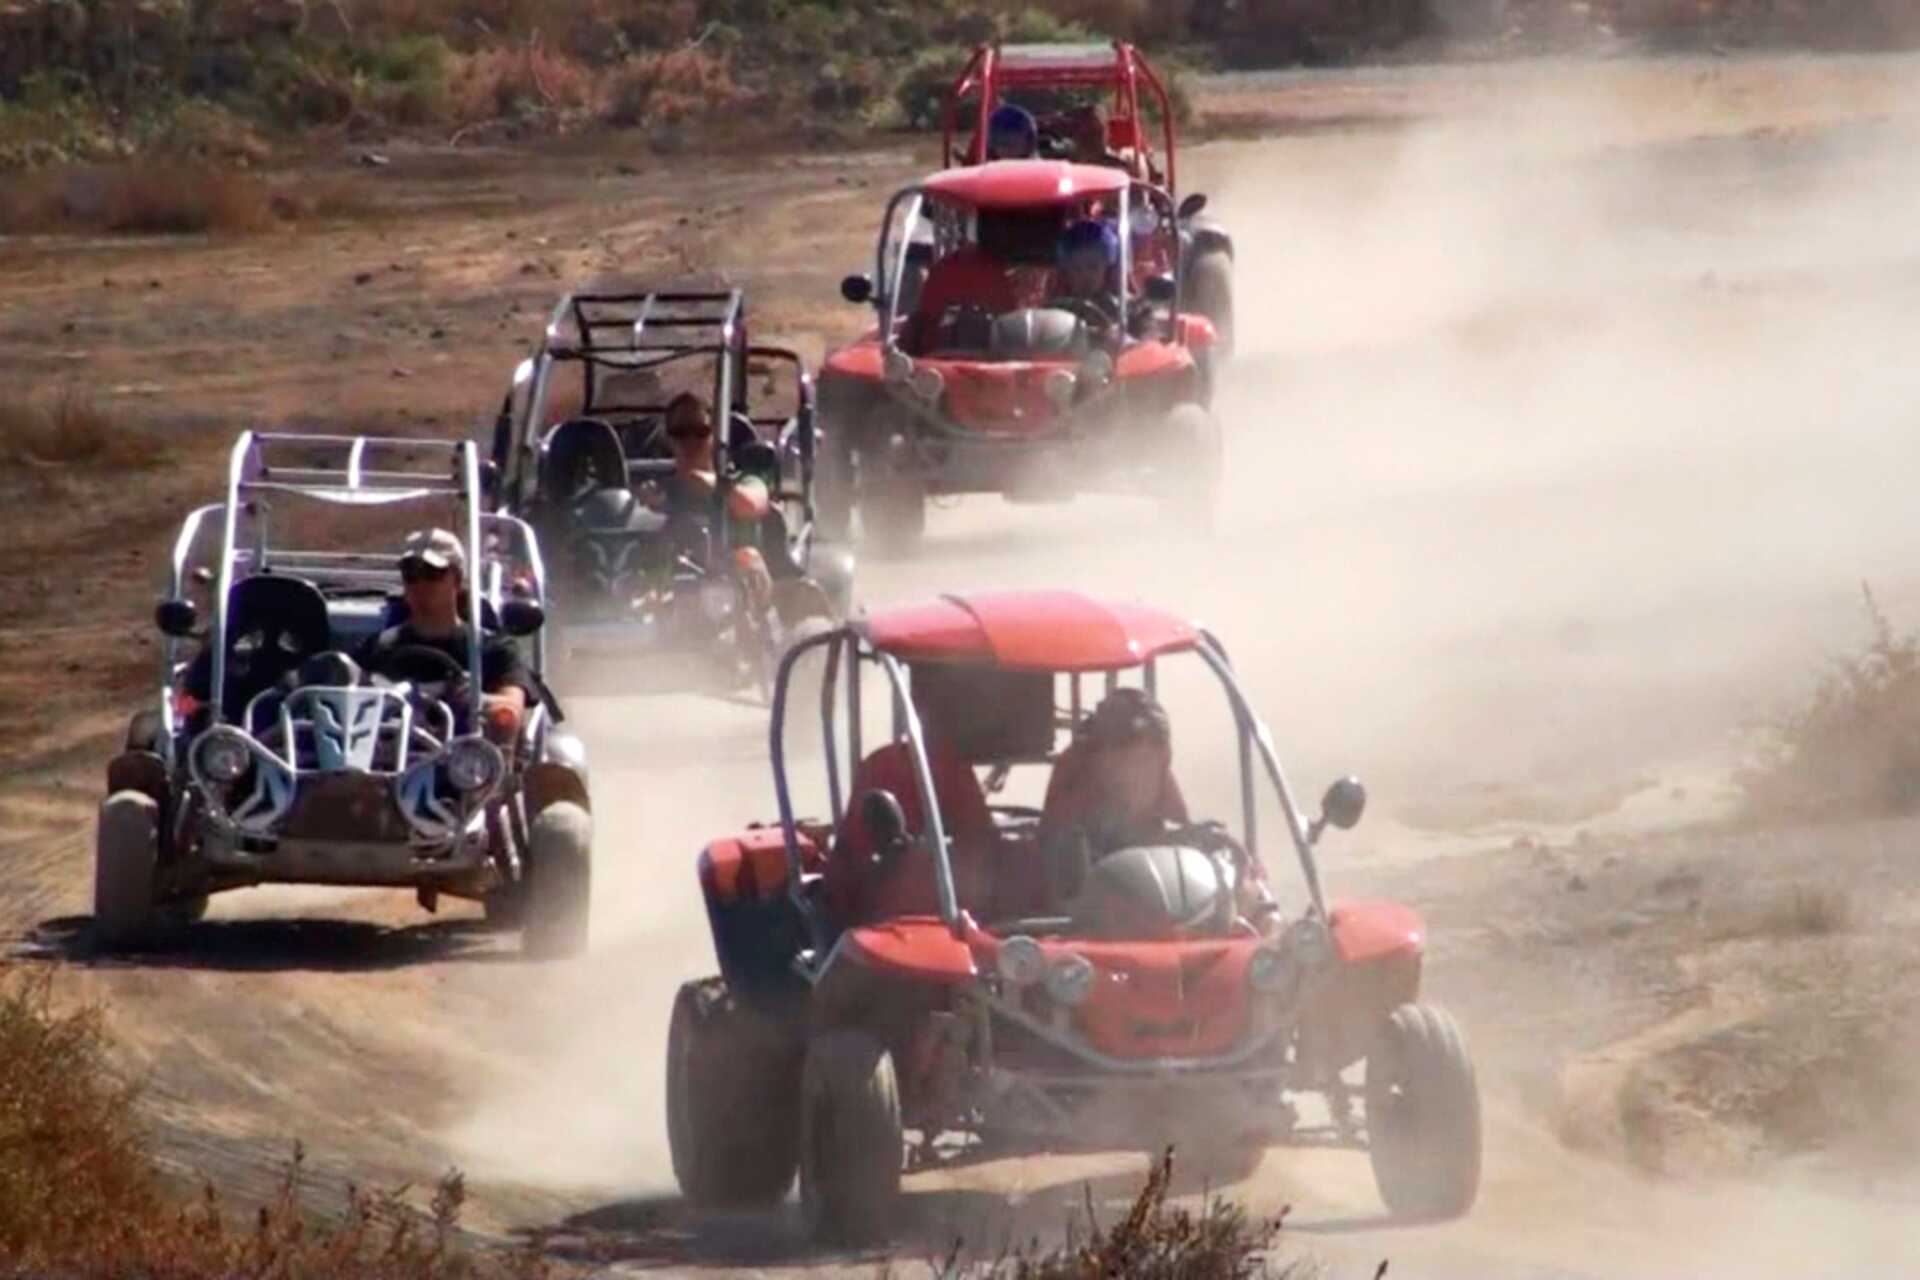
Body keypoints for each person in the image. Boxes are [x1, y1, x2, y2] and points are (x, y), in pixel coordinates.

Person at [828, 671, 999, 925]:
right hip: (897, 916)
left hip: (948, 909)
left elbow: (982, 844)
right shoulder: (893, 767)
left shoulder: (945, 768)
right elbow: (853, 859)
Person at [353, 528, 534, 740]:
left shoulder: (492, 650)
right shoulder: (376, 649)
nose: (420, 584)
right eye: (411, 573)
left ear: (457, 580)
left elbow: (511, 711)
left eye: (432, 573)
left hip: (468, 766)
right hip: (385, 764)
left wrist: (477, 700)